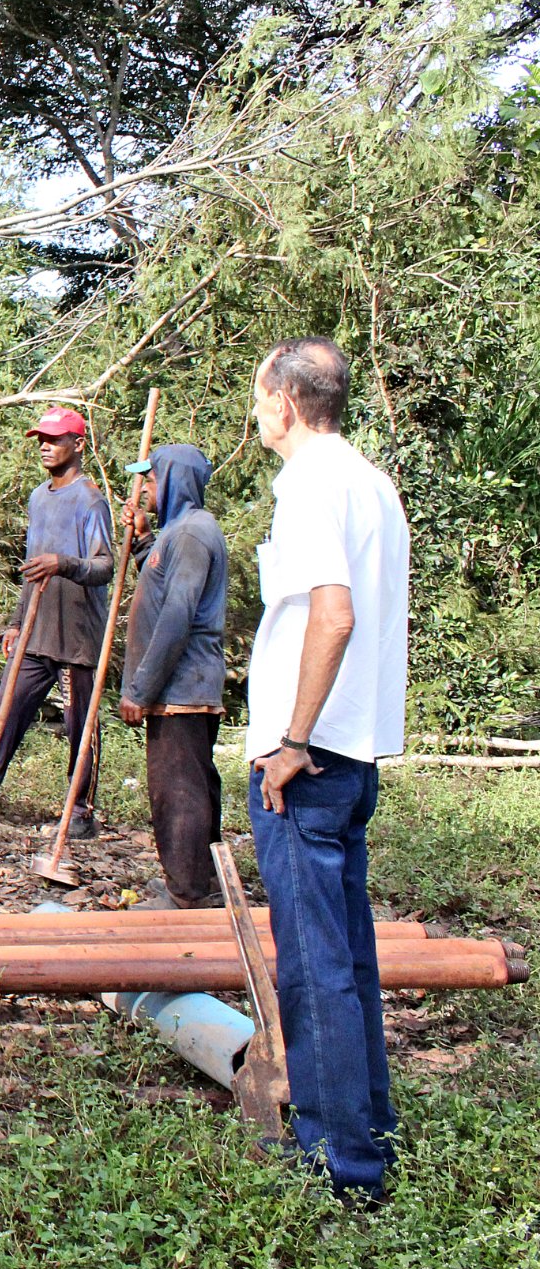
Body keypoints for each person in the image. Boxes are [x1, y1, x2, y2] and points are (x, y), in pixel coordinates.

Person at [245, 337, 410, 1202]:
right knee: (350, 957)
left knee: (311, 966)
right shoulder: (372, 482)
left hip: (305, 765)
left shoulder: (310, 482)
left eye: (258, 394)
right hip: (355, 755)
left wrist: (294, 737)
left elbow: (333, 618)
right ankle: (370, 1130)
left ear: (285, 398)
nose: (255, 411)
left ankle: (341, 1165)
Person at [0, 406, 113, 835]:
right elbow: (33, 569)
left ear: (78, 444)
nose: (46, 447)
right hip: (35, 630)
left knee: (79, 723)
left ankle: (81, 813)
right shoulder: (37, 497)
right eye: (41, 440)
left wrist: (65, 563)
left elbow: (104, 567)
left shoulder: (91, 501)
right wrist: (15, 622)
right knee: (4, 710)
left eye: (54, 440)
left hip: (77, 636)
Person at [116, 444, 229, 909]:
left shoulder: (190, 535)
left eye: (151, 480)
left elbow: (177, 616)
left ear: (174, 481)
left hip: (182, 686)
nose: (144, 489)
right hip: (181, 685)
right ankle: (203, 881)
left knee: (178, 791)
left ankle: (186, 895)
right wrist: (144, 541)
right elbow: (163, 588)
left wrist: (141, 689)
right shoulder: (176, 534)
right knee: (194, 783)